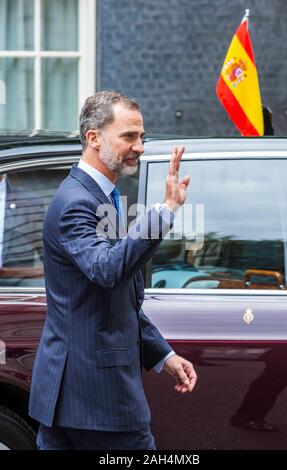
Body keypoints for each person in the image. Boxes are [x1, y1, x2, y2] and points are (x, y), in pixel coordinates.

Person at [29, 90, 197, 450]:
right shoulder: (77, 202)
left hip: (75, 396)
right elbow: (107, 271)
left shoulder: (100, 197)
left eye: (142, 136)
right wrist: (165, 210)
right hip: (96, 398)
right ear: (93, 138)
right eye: (129, 136)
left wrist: (163, 355)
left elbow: (114, 300)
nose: (139, 146)